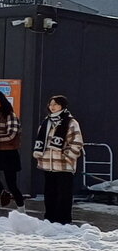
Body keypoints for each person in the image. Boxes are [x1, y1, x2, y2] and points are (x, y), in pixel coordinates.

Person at [34, 95, 84, 224]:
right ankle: (49, 219)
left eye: (55, 104)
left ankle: (63, 221)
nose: (52, 107)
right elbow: (41, 142)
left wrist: (66, 156)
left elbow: (77, 142)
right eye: (50, 104)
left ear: (62, 106)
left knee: (64, 194)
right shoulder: (46, 122)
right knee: (49, 193)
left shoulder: (71, 122)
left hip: (64, 165)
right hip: (48, 165)